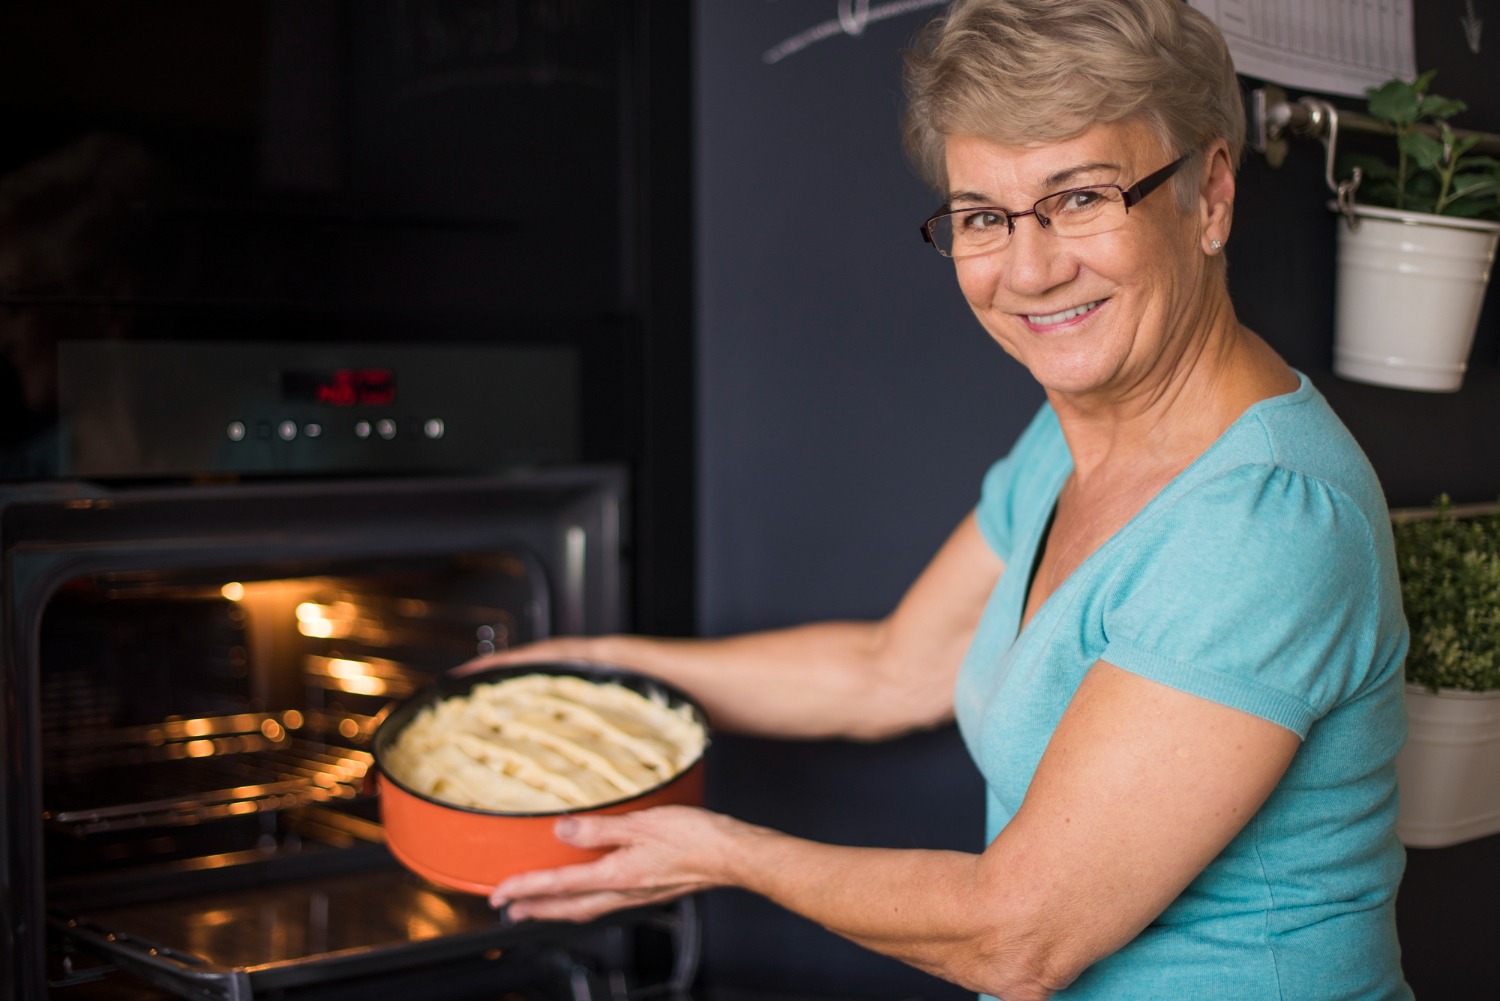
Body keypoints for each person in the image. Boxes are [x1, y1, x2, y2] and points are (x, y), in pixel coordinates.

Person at [458, 1, 1414, 997]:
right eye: (983, 216)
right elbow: (890, 669)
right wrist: (602, 667)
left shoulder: (1266, 520)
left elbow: (1021, 934)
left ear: (1209, 196)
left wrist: (721, 853)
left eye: (1081, 197)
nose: (1031, 268)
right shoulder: (1074, 435)